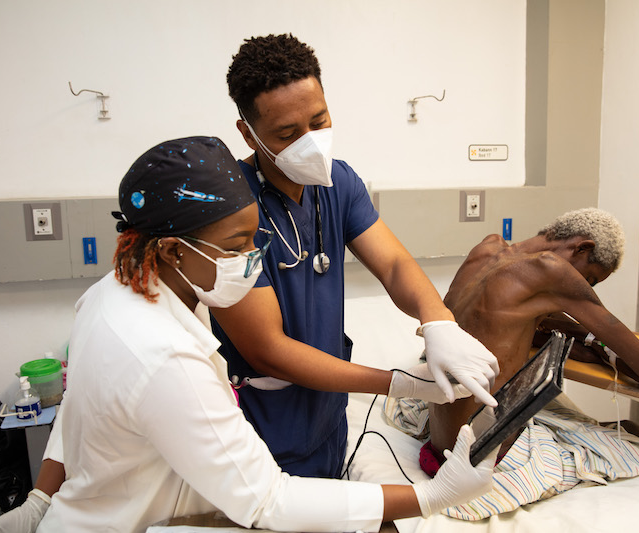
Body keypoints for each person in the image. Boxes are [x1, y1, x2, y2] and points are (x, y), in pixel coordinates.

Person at [0, 137, 498, 533]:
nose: (253, 257)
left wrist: (42, 500)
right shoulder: (165, 358)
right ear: (171, 250)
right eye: (235, 246)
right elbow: (268, 499)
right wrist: (433, 498)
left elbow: (78, 404)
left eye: (255, 238)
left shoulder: (111, 293)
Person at [209, 33, 500, 480]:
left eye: (318, 121)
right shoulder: (231, 210)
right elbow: (268, 350)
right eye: (287, 134)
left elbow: (394, 264)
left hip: (328, 419)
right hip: (263, 430)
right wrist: (398, 383)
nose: (309, 141)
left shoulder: (338, 183)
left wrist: (437, 319)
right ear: (248, 133)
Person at [425, 207, 639, 459]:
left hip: (440, 436)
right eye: (589, 279)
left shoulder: (486, 250)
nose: (585, 286)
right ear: (582, 248)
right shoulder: (551, 269)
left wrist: (583, 341)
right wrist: (595, 345)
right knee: (633, 433)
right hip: (480, 449)